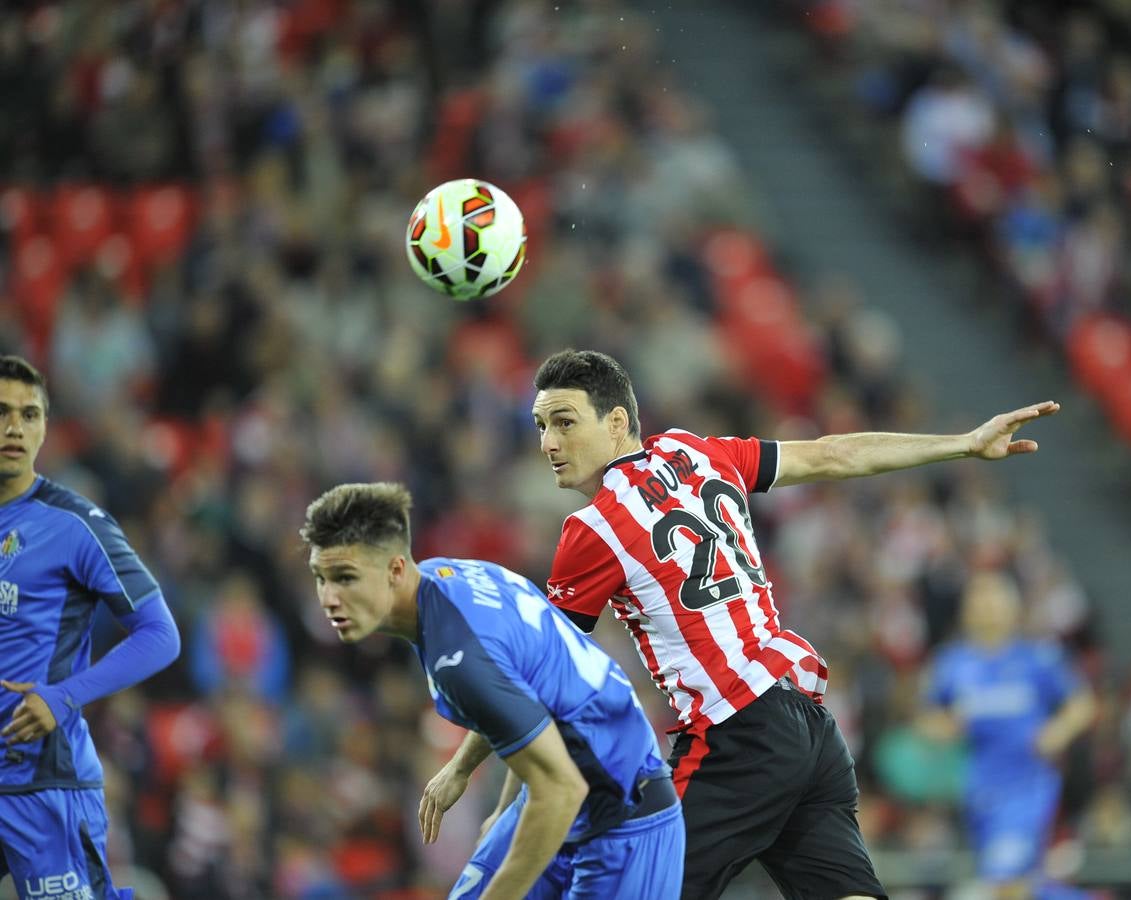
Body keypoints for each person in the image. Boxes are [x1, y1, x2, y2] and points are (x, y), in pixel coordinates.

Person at [530, 348, 1061, 900]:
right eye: (541, 425)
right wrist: (963, 444)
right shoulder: (698, 452)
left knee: (637, 891)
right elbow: (835, 454)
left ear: (617, 422)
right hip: (807, 725)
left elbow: (543, 669)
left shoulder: (591, 529)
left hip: (735, 733)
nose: (548, 442)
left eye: (564, 422)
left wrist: (466, 764)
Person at [298, 481, 683, 900]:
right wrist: (472, 777)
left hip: (624, 826)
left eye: (345, 578)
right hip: (563, 795)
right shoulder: (448, 574)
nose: (329, 598)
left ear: (394, 570)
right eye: (321, 578)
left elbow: (562, 788)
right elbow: (524, 685)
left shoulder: (457, 655)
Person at [0, 354, 181, 900]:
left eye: (29, 415)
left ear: (45, 428)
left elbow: (160, 634)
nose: (14, 427)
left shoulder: (74, 525)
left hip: (43, 784)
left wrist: (64, 697)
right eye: (2, 412)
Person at [918, 571, 1097, 900]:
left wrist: (1057, 731)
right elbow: (927, 719)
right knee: (1017, 885)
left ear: (1013, 605)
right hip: (977, 789)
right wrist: (945, 727)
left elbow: (1082, 703)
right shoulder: (952, 663)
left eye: (994, 595)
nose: (986, 605)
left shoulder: (1038, 657)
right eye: (978, 596)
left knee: (1006, 883)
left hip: (1027, 786)